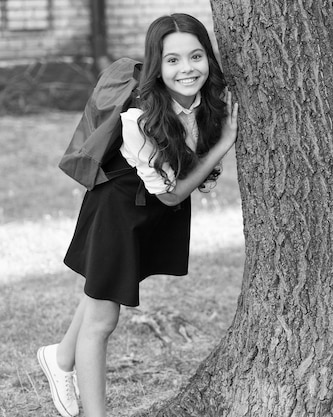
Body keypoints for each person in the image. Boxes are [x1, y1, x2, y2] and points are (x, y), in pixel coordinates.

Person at [37, 13, 238, 417]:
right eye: (173, 60)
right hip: (118, 209)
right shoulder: (140, 119)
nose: (187, 69)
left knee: (102, 290)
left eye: (196, 56)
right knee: (103, 320)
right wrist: (226, 142)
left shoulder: (210, 102)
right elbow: (173, 194)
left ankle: (59, 358)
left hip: (148, 210)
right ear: (157, 65)